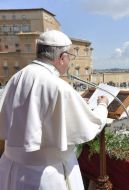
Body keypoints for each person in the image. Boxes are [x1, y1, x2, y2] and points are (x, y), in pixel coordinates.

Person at [0, 30, 109, 190]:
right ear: (62, 57)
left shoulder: (18, 77)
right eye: (70, 57)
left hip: (11, 169)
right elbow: (91, 124)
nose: (69, 62)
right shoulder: (58, 86)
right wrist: (102, 105)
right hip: (45, 176)